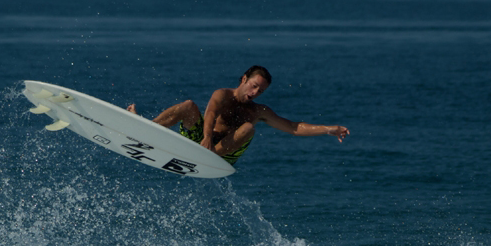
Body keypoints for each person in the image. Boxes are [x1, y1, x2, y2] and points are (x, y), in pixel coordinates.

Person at [127, 65, 349, 166]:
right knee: (188, 105)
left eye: (260, 91)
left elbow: (293, 127)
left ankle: (209, 157)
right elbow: (211, 113)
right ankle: (145, 128)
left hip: (222, 153)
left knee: (248, 128)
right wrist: (205, 137)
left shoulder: (258, 111)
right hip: (201, 141)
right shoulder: (222, 95)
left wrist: (329, 129)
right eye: (253, 86)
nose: (254, 93)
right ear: (243, 79)